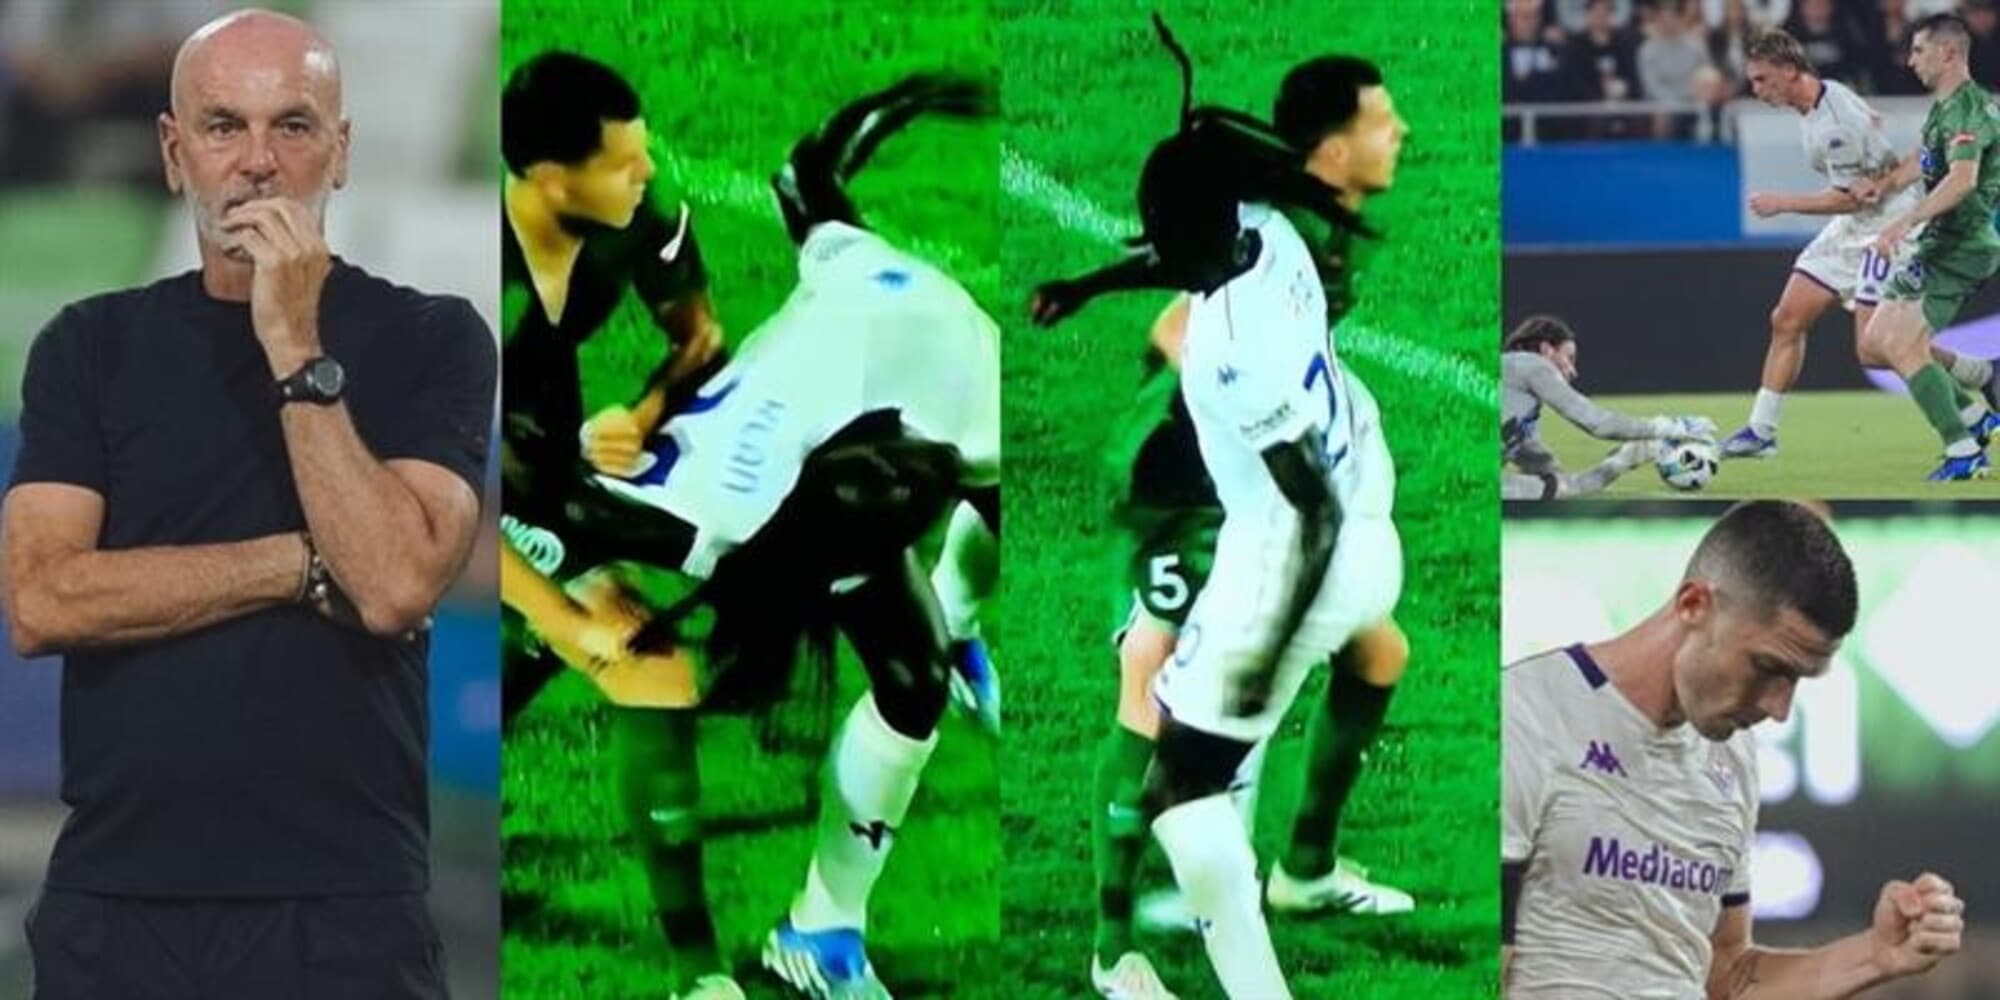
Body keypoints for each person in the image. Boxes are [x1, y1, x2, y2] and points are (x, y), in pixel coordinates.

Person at [1, 10, 494, 999]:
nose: (258, 162)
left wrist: (294, 345)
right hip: (118, 907)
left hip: (345, 913)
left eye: (293, 126)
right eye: (224, 126)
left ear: (340, 152)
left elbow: (392, 584)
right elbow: (42, 602)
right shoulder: (88, 346)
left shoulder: (433, 339)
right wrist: (298, 566)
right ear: (174, 153)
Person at [551, 73, 999, 1000]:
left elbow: (804, 172)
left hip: (842, 454)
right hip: (758, 487)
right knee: (540, 618)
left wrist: (903, 98)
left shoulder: (966, 402)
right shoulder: (720, 505)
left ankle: (820, 931)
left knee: (918, 674)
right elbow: (558, 510)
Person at [1035, 50, 1417, 1000]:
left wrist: (1267, 649)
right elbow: (1181, 254)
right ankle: (1286, 879)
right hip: (1366, 509)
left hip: (1292, 551)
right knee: (1321, 677)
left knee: (1177, 788)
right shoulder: (1269, 231)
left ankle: (1224, 975)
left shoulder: (1233, 358)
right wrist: (1088, 285)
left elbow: (1307, 510)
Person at [1502, 500, 1965, 996]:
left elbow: (1726, 976)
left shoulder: (1731, 756)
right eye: (1767, 668)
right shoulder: (1522, 716)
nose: (1779, 709)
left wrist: (1876, 954)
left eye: (1798, 680)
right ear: (1693, 605)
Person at [1722, 28, 1997, 459]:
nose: (1755, 89)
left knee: (1876, 349)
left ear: (1790, 71)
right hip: (1851, 227)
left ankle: (1973, 394)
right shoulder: (1824, 96)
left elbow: (1852, 199)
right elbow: (1877, 143)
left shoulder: (1835, 128)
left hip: (1881, 229)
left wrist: (1783, 203)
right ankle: (1762, 429)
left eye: (1762, 79)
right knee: (1787, 318)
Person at [1854, 13, 2000, 480]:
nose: (1910, 60)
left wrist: (1904, 221)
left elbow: (1962, 180)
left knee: (1900, 342)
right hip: (1938, 244)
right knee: (1874, 344)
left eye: (1918, 50)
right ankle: (1978, 402)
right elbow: (1922, 159)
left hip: (1961, 247)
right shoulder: (1944, 108)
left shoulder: (1970, 109)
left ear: (1948, 52)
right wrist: (1882, 186)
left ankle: (1963, 448)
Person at [1502, 315, 1711, 499]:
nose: (1573, 371)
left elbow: (1558, 478)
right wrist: (1667, 426)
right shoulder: (1531, 364)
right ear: (1546, 350)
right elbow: (1597, 423)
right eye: (1569, 358)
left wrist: (1623, 459)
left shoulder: (1516, 412)